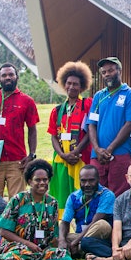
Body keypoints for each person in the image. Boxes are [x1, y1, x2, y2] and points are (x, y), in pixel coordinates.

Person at [0, 159, 73, 260]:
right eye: (37, 180)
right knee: (19, 253)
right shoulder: (18, 199)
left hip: (41, 248)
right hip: (17, 246)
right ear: (29, 181)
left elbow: (53, 234)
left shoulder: (52, 203)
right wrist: (27, 243)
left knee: (63, 255)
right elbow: (3, 232)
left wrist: (60, 245)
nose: (42, 183)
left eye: (45, 179)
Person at [0, 62, 39, 197]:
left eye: (11, 74)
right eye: (4, 75)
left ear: (17, 77)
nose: (8, 78)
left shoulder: (27, 101)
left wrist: (31, 155)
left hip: (18, 161)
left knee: (17, 202)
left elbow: (32, 129)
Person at [87, 56, 131, 195]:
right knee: (97, 194)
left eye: (110, 70)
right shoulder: (98, 96)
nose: (107, 74)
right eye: (104, 72)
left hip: (120, 154)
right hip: (98, 156)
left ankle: (117, 218)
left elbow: (129, 125)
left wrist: (110, 149)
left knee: (119, 194)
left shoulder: (130, 94)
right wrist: (97, 149)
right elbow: (91, 124)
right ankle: (100, 218)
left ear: (119, 71)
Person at [47, 60, 93, 210]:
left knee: (81, 193)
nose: (71, 87)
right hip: (61, 159)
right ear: (63, 84)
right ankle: (62, 227)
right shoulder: (57, 110)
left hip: (80, 158)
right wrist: (62, 154)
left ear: (82, 86)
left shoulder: (88, 104)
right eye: (69, 83)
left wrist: (75, 151)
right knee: (62, 194)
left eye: (75, 84)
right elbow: (53, 135)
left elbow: (89, 131)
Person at [57, 164, 114, 259]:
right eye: (83, 181)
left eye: (91, 180)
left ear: (98, 179)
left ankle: (75, 249)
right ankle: (80, 249)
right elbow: (65, 222)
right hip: (79, 235)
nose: (87, 184)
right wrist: (62, 240)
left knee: (102, 225)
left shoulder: (107, 195)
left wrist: (75, 242)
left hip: (100, 237)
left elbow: (95, 221)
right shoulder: (73, 197)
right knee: (56, 237)